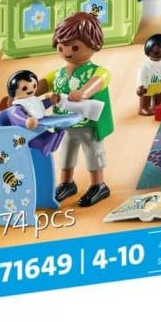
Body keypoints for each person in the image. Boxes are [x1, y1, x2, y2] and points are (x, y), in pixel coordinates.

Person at [48, 12, 113, 208]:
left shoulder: (95, 70)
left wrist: (84, 92)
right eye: (61, 47)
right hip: (65, 125)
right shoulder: (59, 73)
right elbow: (42, 83)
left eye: (74, 47)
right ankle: (67, 183)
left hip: (88, 124)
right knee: (66, 154)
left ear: (93, 44)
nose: (67, 51)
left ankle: (98, 185)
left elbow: (101, 79)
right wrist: (25, 92)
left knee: (93, 153)